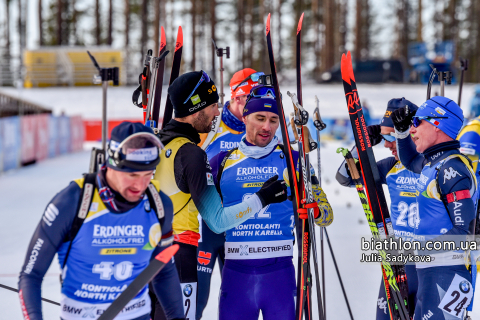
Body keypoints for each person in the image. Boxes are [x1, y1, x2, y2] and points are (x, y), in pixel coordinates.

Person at [152, 71, 288, 319]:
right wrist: (263, 197)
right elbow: (217, 221)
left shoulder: (156, 145)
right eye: (213, 106)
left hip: (148, 254)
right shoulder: (191, 153)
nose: (217, 112)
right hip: (178, 256)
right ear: (196, 108)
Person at [18, 122, 185, 320]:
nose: (140, 185)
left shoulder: (158, 204)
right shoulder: (73, 202)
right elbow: (31, 275)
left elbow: (164, 271)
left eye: (148, 174)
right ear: (111, 165)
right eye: (132, 175)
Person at [209, 86, 333, 320]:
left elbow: (326, 214)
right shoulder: (221, 162)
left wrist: (314, 208)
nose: (267, 127)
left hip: (279, 274)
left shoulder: (295, 160)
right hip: (236, 273)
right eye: (260, 118)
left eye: (274, 120)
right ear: (245, 117)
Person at [391, 96, 477, 320]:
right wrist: (400, 132)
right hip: (430, 274)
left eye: (418, 122)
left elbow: (464, 233)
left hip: (446, 274)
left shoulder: (452, 169)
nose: (413, 129)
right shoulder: (433, 163)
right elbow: (410, 161)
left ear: (438, 123)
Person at [336, 98, 419, 319]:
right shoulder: (392, 168)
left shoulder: (431, 167)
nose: (388, 144)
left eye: (392, 136)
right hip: (395, 265)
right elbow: (344, 177)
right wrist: (361, 146)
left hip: (428, 268)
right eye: (383, 138)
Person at [196, 68, 264, 319]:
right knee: (196, 300)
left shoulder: (262, 128)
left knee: (239, 302)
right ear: (237, 97)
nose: (258, 104)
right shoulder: (210, 124)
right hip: (204, 225)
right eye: (252, 97)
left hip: (241, 225)